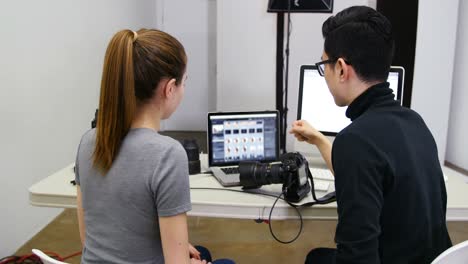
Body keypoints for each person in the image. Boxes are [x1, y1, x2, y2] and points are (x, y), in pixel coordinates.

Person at [289, 6, 452, 264]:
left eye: (324, 65)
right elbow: (370, 169)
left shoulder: (356, 141)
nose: (325, 74)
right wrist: (320, 140)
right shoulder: (414, 121)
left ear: (341, 68)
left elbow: (357, 257)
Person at [75, 29, 234, 264]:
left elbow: (89, 239)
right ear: (169, 89)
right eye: (184, 82)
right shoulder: (167, 155)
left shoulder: (89, 141)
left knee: (199, 250)